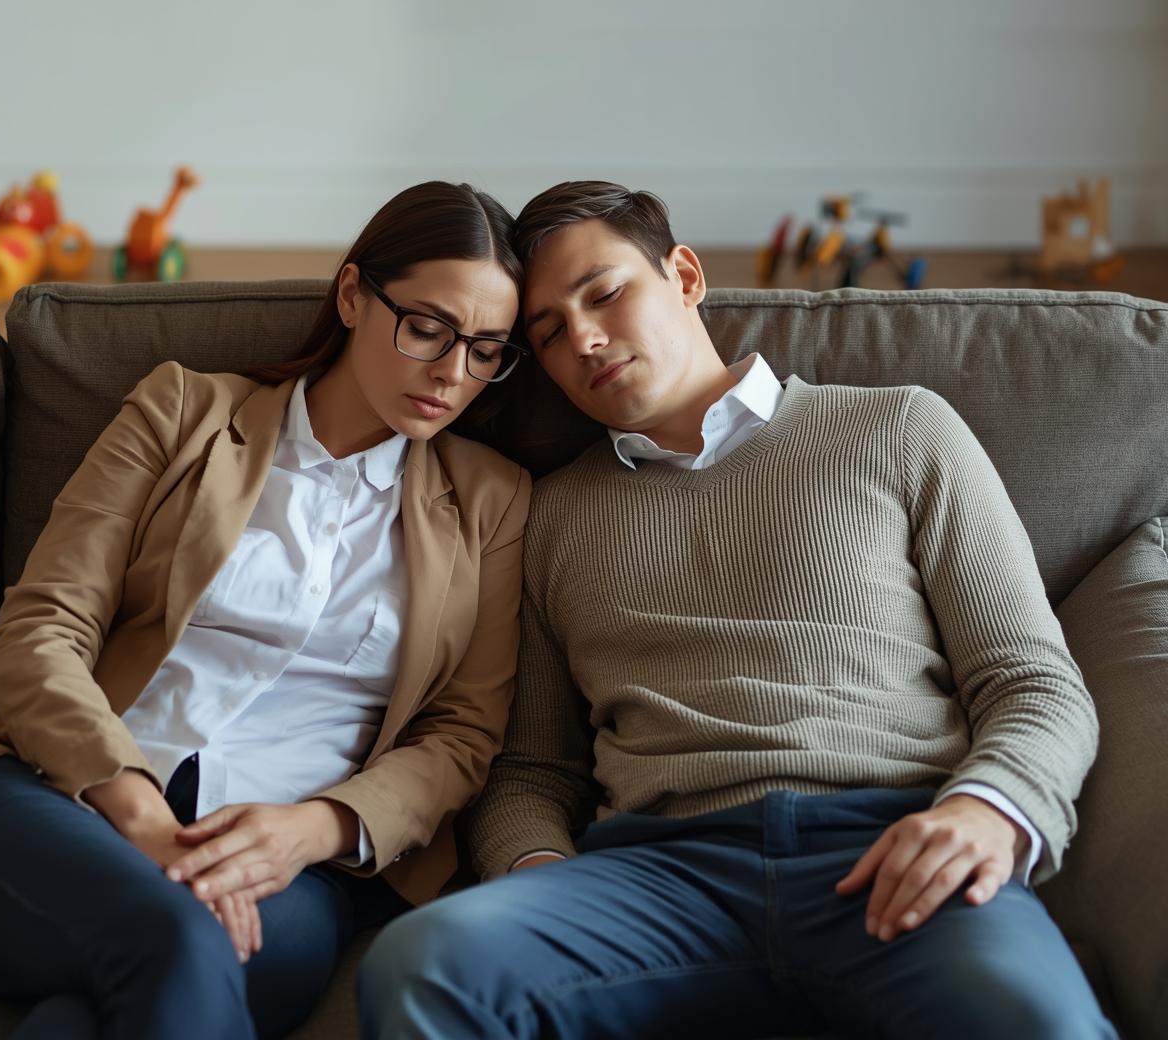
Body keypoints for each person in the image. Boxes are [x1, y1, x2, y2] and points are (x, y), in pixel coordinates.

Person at [357, 181, 1114, 1038]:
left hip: (890, 844)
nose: (587, 341)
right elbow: (531, 770)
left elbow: (1034, 682)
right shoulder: (549, 516)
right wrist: (537, 873)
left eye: (604, 295)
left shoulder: (900, 430)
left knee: (1037, 1022)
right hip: (656, 877)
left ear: (683, 275)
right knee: (426, 967)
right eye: (550, 334)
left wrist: (989, 809)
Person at [0, 180, 532, 1040]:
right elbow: (41, 630)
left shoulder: (491, 501)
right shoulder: (183, 410)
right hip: (44, 794)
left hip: (289, 869)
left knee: (104, 1006)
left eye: (487, 349)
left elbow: (462, 735)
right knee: (178, 934)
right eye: (430, 328)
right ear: (355, 294)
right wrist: (139, 816)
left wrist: (316, 829)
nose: (452, 372)